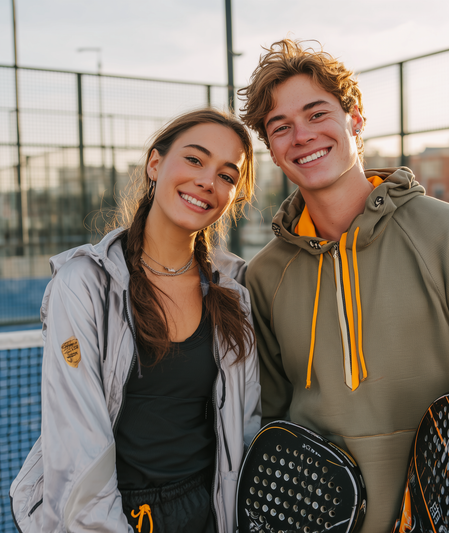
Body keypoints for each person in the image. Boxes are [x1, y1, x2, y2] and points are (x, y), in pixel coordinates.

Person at [239, 39, 449, 532]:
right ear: (272, 149)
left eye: (317, 114)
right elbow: (270, 422)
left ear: (356, 118)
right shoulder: (265, 276)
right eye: (281, 127)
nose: (302, 136)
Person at [10, 109, 261, 533]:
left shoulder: (234, 292)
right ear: (155, 163)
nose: (207, 181)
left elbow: (244, 425)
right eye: (195, 160)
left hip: (206, 511)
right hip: (113, 516)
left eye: (227, 175)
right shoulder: (84, 285)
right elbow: (79, 453)